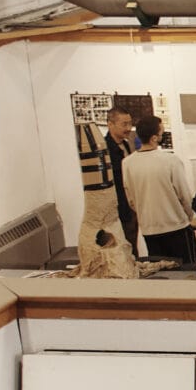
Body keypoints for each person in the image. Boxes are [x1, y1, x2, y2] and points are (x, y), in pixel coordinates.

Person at [121, 115, 196, 265]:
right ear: (155, 137)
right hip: (176, 226)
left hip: (149, 229)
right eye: (161, 132)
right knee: (188, 272)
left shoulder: (127, 163)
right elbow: (184, 195)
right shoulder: (170, 161)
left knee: (162, 275)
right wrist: (189, 216)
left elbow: (130, 199)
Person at [74, 114, 138, 277]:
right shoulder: (108, 148)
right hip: (115, 210)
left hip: (125, 209)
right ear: (110, 124)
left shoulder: (126, 145)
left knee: (129, 250)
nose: (128, 128)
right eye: (124, 124)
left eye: (130, 123)